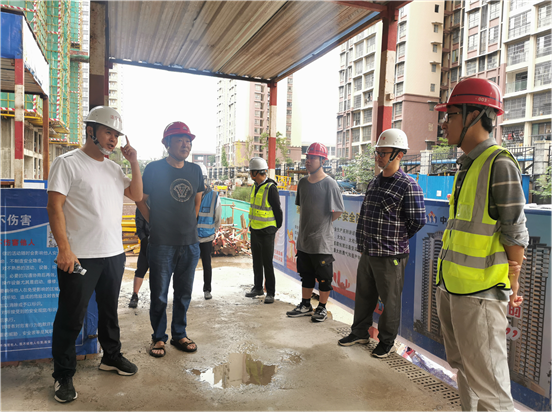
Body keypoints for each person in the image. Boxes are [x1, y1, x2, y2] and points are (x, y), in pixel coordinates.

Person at [434, 78, 529, 411]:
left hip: (481, 294)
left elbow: (514, 229)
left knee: (490, 387)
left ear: (474, 115)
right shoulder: (467, 165)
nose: (444, 124)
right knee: (466, 371)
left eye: (450, 115)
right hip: (454, 288)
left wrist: (514, 280)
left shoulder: (499, 163)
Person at [47, 106, 143, 403]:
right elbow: (54, 206)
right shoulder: (67, 163)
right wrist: (64, 249)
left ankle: (111, 356)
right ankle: (63, 374)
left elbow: (137, 195)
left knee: (109, 311)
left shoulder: (114, 169)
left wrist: (134, 162)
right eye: (108, 132)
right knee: (71, 316)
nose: (113, 139)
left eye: (116, 134)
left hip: (113, 254)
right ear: (91, 131)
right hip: (80, 257)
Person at [338, 129, 426, 358]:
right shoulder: (374, 183)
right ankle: (359, 332)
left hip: (391, 255)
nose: (378, 157)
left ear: (399, 155)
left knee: (390, 301)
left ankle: (386, 342)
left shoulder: (408, 185)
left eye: (383, 153)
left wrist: (395, 240)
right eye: (377, 152)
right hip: (368, 251)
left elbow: (418, 220)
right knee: (364, 296)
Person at [136, 121, 203, 358]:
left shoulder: (195, 170)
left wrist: (189, 227)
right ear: (167, 143)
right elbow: (140, 199)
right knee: (159, 294)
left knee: (184, 293)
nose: (186, 145)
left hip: (190, 243)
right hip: (161, 243)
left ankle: (179, 334)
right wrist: (153, 221)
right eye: (180, 140)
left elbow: (197, 202)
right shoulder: (154, 169)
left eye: (188, 141)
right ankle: (158, 337)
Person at [286, 143, 344, 322]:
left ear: (322, 161)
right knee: (306, 275)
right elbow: (302, 208)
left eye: (312, 158)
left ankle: (322, 308)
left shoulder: (330, 184)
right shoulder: (303, 183)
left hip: (322, 242)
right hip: (304, 240)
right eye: (307, 157)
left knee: (324, 278)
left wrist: (322, 225)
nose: (308, 161)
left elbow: (338, 210)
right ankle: (305, 305)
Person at [245, 157, 283, 304]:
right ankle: (258, 288)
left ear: (256, 172)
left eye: (251, 171)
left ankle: (270, 293)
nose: (250, 174)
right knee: (256, 261)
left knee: (267, 262)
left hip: (267, 231)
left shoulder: (270, 188)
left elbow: (277, 210)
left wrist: (275, 227)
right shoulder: (255, 186)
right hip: (255, 229)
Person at [197, 163, 222, 300]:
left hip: (206, 237)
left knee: (207, 264)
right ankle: (185, 290)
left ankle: (207, 289)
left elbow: (217, 218)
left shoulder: (214, 196)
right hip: (191, 237)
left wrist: (212, 231)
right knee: (187, 265)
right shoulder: (190, 194)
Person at [128, 204, 149, 308]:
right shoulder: (141, 206)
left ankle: (158, 296)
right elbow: (139, 227)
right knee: (141, 269)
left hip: (161, 243)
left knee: (160, 272)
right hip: (147, 242)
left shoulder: (164, 203)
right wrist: (144, 240)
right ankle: (135, 295)